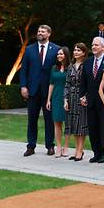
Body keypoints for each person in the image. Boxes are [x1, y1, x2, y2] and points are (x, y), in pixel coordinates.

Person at [20, 24, 59, 157]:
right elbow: (24, 69)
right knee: (32, 119)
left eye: (43, 31)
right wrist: (23, 86)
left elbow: (60, 70)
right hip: (33, 90)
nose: (40, 33)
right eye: (38, 31)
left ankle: (50, 145)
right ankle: (31, 146)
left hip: (49, 91)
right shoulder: (29, 50)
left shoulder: (56, 49)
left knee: (49, 119)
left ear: (49, 34)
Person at [80, 36, 104, 163]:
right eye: (93, 45)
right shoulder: (87, 62)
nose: (93, 47)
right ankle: (96, 153)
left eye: (96, 45)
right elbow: (83, 82)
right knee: (93, 128)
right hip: (91, 101)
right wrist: (82, 96)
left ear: (103, 47)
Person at [64, 43, 89, 161]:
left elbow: (89, 84)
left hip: (81, 97)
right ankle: (76, 150)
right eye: (75, 50)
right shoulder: (70, 66)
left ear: (84, 53)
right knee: (73, 124)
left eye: (79, 50)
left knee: (81, 125)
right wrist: (65, 100)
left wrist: (86, 96)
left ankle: (80, 150)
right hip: (71, 98)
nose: (76, 52)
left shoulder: (86, 65)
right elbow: (67, 84)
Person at [46, 46, 71, 158]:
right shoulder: (54, 68)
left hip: (67, 97)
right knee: (57, 123)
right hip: (56, 97)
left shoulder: (70, 68)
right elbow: (51, 84)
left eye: (61, 54)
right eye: (58, 54)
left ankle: (66, 147)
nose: (59, 56)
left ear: (66, 55)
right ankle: (59, 147)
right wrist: (48, 100)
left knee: (67, 123)